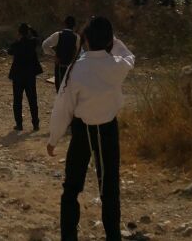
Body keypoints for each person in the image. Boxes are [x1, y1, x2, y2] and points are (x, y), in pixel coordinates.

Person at [47, 16, 135, 241]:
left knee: (71, 188)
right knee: (109, 190)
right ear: (109, 40)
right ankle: (113, 236)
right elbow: (129, 56)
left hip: (82, 131)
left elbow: (63, 106)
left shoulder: (77, 68)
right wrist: (113, 40)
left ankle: (68, 237)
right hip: (108, 130)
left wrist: (54, 138)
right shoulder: (117, 65)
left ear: (84, 38)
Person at [8, 23, 43, 132]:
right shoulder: (32, 42)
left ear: (19, 33)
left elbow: (9, 51)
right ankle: (35, 124)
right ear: (28, 32)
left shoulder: (16, 44)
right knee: (32, 100)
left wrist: (17, 39)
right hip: (30, 75)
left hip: (18, 75)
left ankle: (19, 124)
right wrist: (32, 29)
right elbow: (39, 38)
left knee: (17, 101)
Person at [42, 16, 79, 92]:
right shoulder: (77, 37)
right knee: (69, 89)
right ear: (74, 26)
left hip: (59, 66)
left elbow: (45, 45)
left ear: (64, 24)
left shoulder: (58, 35)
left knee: (59, 89)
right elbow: (80, 52)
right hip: (70, 67)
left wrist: (54, 54)